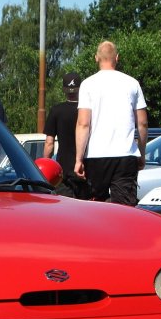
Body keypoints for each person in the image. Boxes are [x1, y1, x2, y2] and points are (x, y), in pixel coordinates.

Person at [74, 41, 148, 206]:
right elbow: (142, 123)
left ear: (96, 58)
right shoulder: (132, 83)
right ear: (117, 58)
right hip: (125, 154)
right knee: (125, 208)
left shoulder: (87, 84)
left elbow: (83, 123)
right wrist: (142, 153)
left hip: (96, 156)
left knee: (95, 206)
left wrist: (79, 158)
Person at [43, 71, 89, 199]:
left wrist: (45, 162)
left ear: (64, 90)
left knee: (67, 208)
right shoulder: (87, 111)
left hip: (63, 170)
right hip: (85, 168)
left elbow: (49, 143)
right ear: (80, 90)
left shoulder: (56, 111)